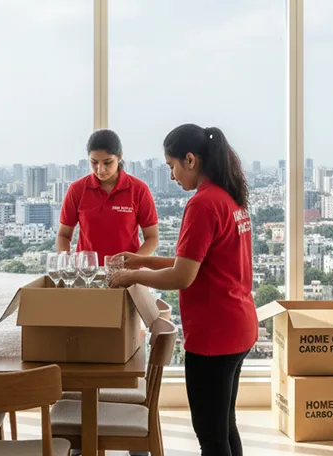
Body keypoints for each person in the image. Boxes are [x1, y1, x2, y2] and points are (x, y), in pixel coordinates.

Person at [109, 124, 257, 456]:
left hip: (213, 335)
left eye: (171, 166)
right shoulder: (229, 196)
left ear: (190, 159)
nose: (172, 175)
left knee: (211, 436)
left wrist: (134, 277)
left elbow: (183, 277)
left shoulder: (203, 204)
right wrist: (140, 262)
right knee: (224, 426)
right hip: (238, 325)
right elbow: (194, 262)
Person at [57, 129, 158, 265]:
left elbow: (152, 238)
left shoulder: (139, 190)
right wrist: (65, 264)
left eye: (107, 162)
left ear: (120, 156)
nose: (100, 169)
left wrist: (131, 264)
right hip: (87, 273)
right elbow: (63, 235)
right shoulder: (77, 190)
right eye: (94, 162)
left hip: (127, 274)